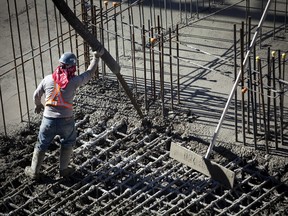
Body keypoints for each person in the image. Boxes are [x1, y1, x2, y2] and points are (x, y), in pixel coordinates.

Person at [25, 49, 104, 179]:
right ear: (73, 67)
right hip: (66, 120)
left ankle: (34, 171)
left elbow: (36, 95)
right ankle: (64, 171)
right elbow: (89, 73)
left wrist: (38, 104)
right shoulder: (73, 81)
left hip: (48, 120)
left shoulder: (47, 79)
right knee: (67, 142)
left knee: (42, 143)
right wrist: (96, 57)